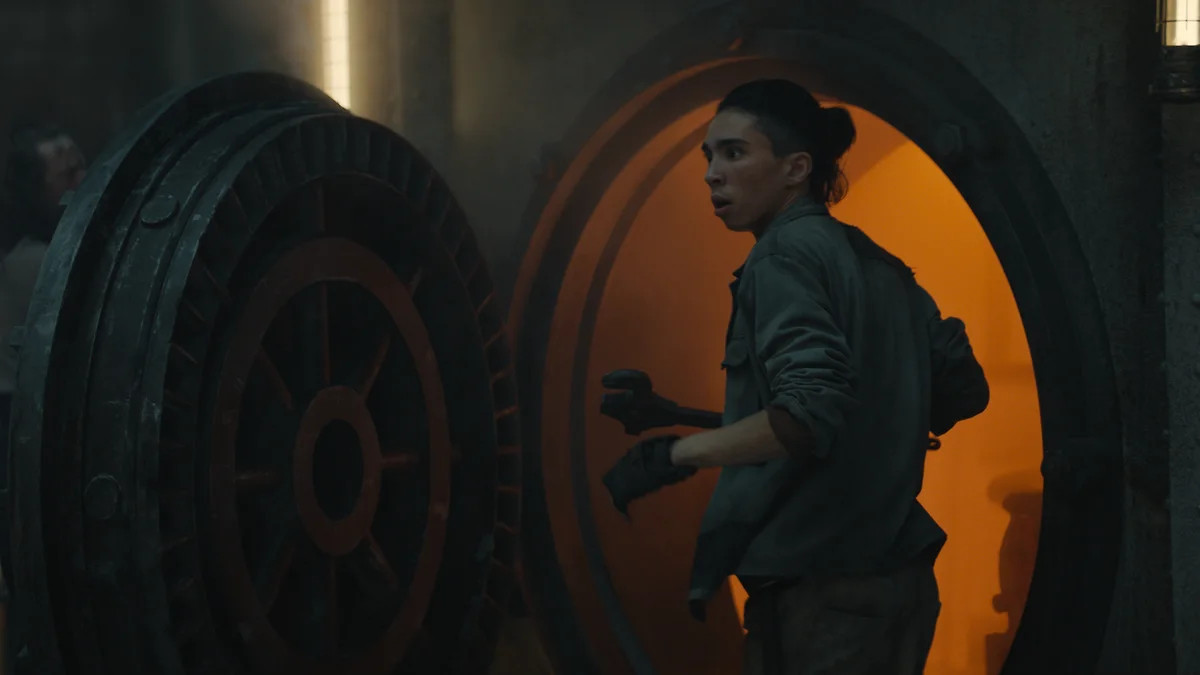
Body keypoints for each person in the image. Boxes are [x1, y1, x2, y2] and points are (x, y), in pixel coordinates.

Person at [602, 79, 990, 675]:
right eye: (709, 156)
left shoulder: (781, 258)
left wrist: (674, 455)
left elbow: (808, 415)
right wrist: (677, 413)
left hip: (823, 600)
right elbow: (962, 390)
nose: (712, 174)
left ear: (796, 169)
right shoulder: (874, 260)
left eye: (735, 153)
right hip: (898, 589)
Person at [0, 122, 86, 589]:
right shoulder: (37, 264)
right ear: (36, 194)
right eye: (66, 175)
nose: (81, 181)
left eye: (81, 167)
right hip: (20, 426)